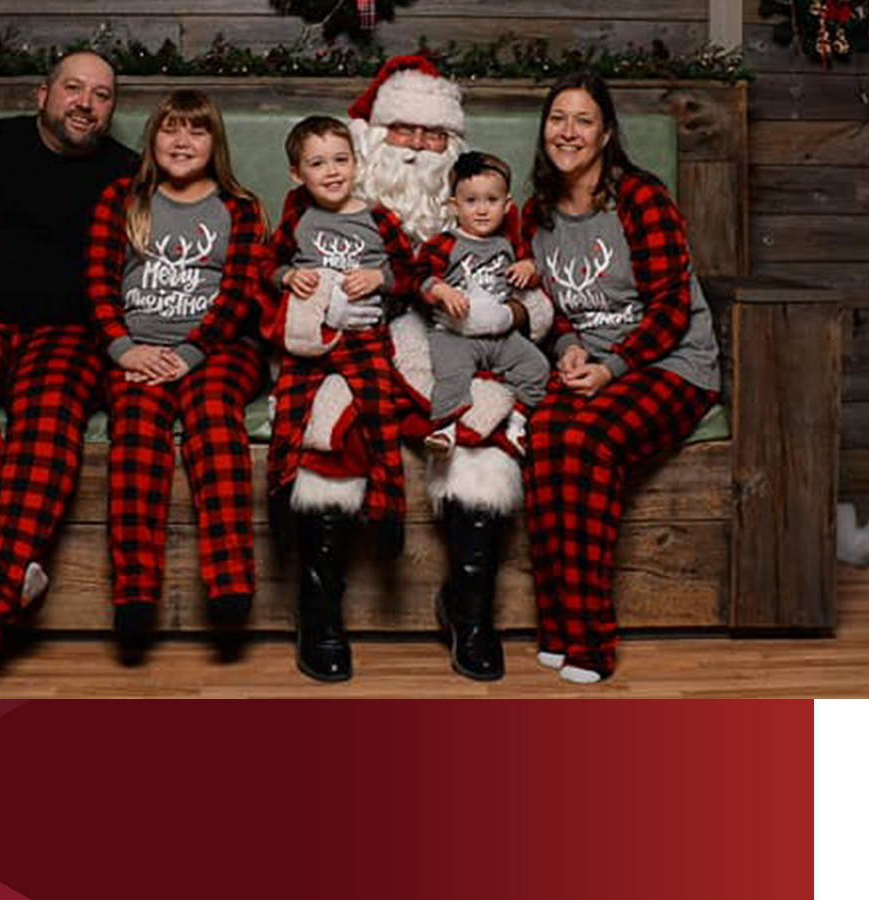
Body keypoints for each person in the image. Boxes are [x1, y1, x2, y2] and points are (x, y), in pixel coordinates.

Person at [277, 56, 554, 681]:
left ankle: (468, 607)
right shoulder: (331, 196)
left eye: (434, 136)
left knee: (483, 428)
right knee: (331, 421)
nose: (418, 148)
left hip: (454, 343)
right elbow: (281, 280)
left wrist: (503, 312)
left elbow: (530, 295)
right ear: (374, 135)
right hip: (356, 342)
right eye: (404, 131)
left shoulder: (480, 202)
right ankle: (317, 608)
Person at [0, 51, 137, 652]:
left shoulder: (126, 172)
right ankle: (14, 572)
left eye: (101, 94)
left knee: (49, 414)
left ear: (112, 109)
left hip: (70, 333)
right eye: (73, 88)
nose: (85, 103)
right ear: (43, 94)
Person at [521, 71, 721, 683]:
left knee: (588, 439)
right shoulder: (535, 213)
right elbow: (553, 312)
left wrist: (613, 366)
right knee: (547, 436)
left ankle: (593, 641)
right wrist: (569, 351)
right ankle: (556, 624)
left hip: (670, 364)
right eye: (559, 118)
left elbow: (669, 308)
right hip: (595, 365)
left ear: (606, 134)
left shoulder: (640, 197)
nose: (569, 131)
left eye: (584, 120)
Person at [85, 89, 268, 654]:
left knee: (214, 421)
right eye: (170, 130)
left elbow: (238, 295)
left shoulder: (240, 207)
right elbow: (97, 283)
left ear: (215, 143)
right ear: (152, 139)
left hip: (218, 349)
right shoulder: (123, 197)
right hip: (138, 349)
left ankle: (231, 583)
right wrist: (121, 349)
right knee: (136, 433)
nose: (182, 142)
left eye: (196, 131)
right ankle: (135, 593)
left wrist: (190, 354)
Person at [261, 115, 414, 681]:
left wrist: (382, 281)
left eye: (340, 159)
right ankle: (279, 498)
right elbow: (268, 264)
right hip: (310, 336)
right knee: (292, 412)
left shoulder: (378, 218)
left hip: (364, 336)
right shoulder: (296, 216)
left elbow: (410, 271)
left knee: (379, 409)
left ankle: (389, 510)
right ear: (296, 173)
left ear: (357, 162)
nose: (331, 171)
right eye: (317, 163)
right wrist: (286, 280)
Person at [415, 151, 549, 458]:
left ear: (507, 205)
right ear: (454, 206)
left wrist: (529, 268)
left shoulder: (509, 243)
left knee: (537, 367)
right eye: (471, 201)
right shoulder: (444, 243)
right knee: (452, 374)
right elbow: (418, 277)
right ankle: (444, 429)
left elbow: (530, 274)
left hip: (500, 335)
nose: (482, 210)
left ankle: (517, 424)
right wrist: (440, 290)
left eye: (492, 200)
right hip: (455, 334)